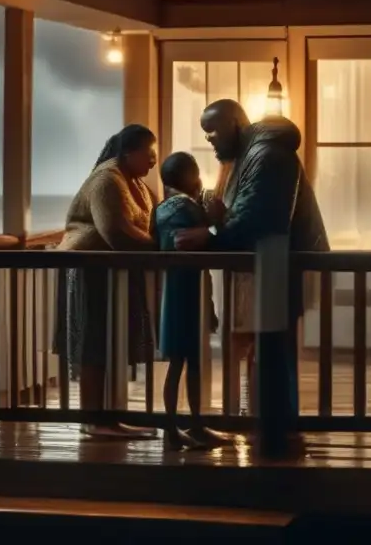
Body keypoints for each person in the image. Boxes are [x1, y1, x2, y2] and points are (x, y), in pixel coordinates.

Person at [175, 99, 328, 443]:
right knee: (272, 348)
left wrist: (210, 234)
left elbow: (261, 218)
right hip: (274, 268)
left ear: (235, 124)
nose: (210, 139)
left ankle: (278, 431)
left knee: (275, 348)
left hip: (280, 267)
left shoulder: (268, 155)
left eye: (213, 130)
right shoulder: (255, 155)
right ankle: (271, 427)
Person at [54, 124, 159, 439]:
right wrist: (159, 248)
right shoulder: (107, 179)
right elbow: (115, 230)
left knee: (108, 342)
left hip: (110, 271)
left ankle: (108, 417)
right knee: (93, 342)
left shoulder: (132, 181)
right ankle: (94, 420)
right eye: (150, 154)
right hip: (89, 270)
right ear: (130, 152)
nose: (154, 161)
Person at [153, 152, 225, 450]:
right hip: (190, 289)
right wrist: (216, 217)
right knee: (191, 361)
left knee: (177, 362)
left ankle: (174, 427)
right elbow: (208, 232)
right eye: (196, 175)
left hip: (173, 289)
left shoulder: (161, 209)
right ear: (188, 177)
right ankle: (191, 425)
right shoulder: (186, 207)